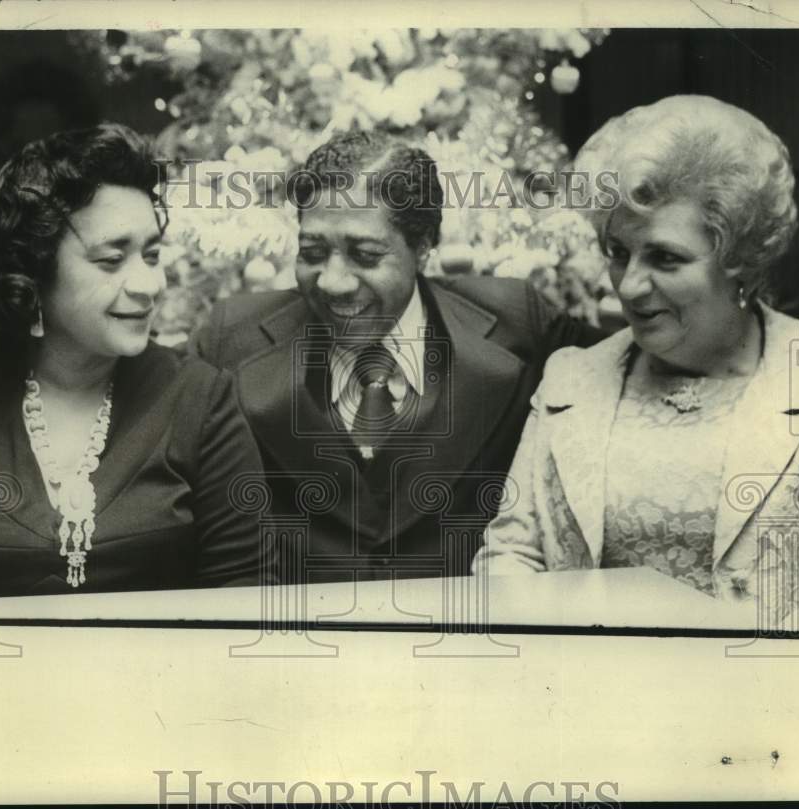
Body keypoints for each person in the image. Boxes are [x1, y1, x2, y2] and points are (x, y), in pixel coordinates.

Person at [472, 95, 799, 622]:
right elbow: (511, 556)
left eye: (665, 258)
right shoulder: (571, 380)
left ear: (741, 258)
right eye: (617, 253)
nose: (629, 286)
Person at [192, 130, 605, 584]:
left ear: (424, 247)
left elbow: (644, 361)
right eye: (312, 253)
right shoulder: (231, 337)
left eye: (365, 255)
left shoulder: (516, 322)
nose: (332, 281)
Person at [0, 123, 269, 599]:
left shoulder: (203, 404)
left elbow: (243, 603)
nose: (149, 285)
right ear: (33, 270)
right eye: (111, 260)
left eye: (152, 255)